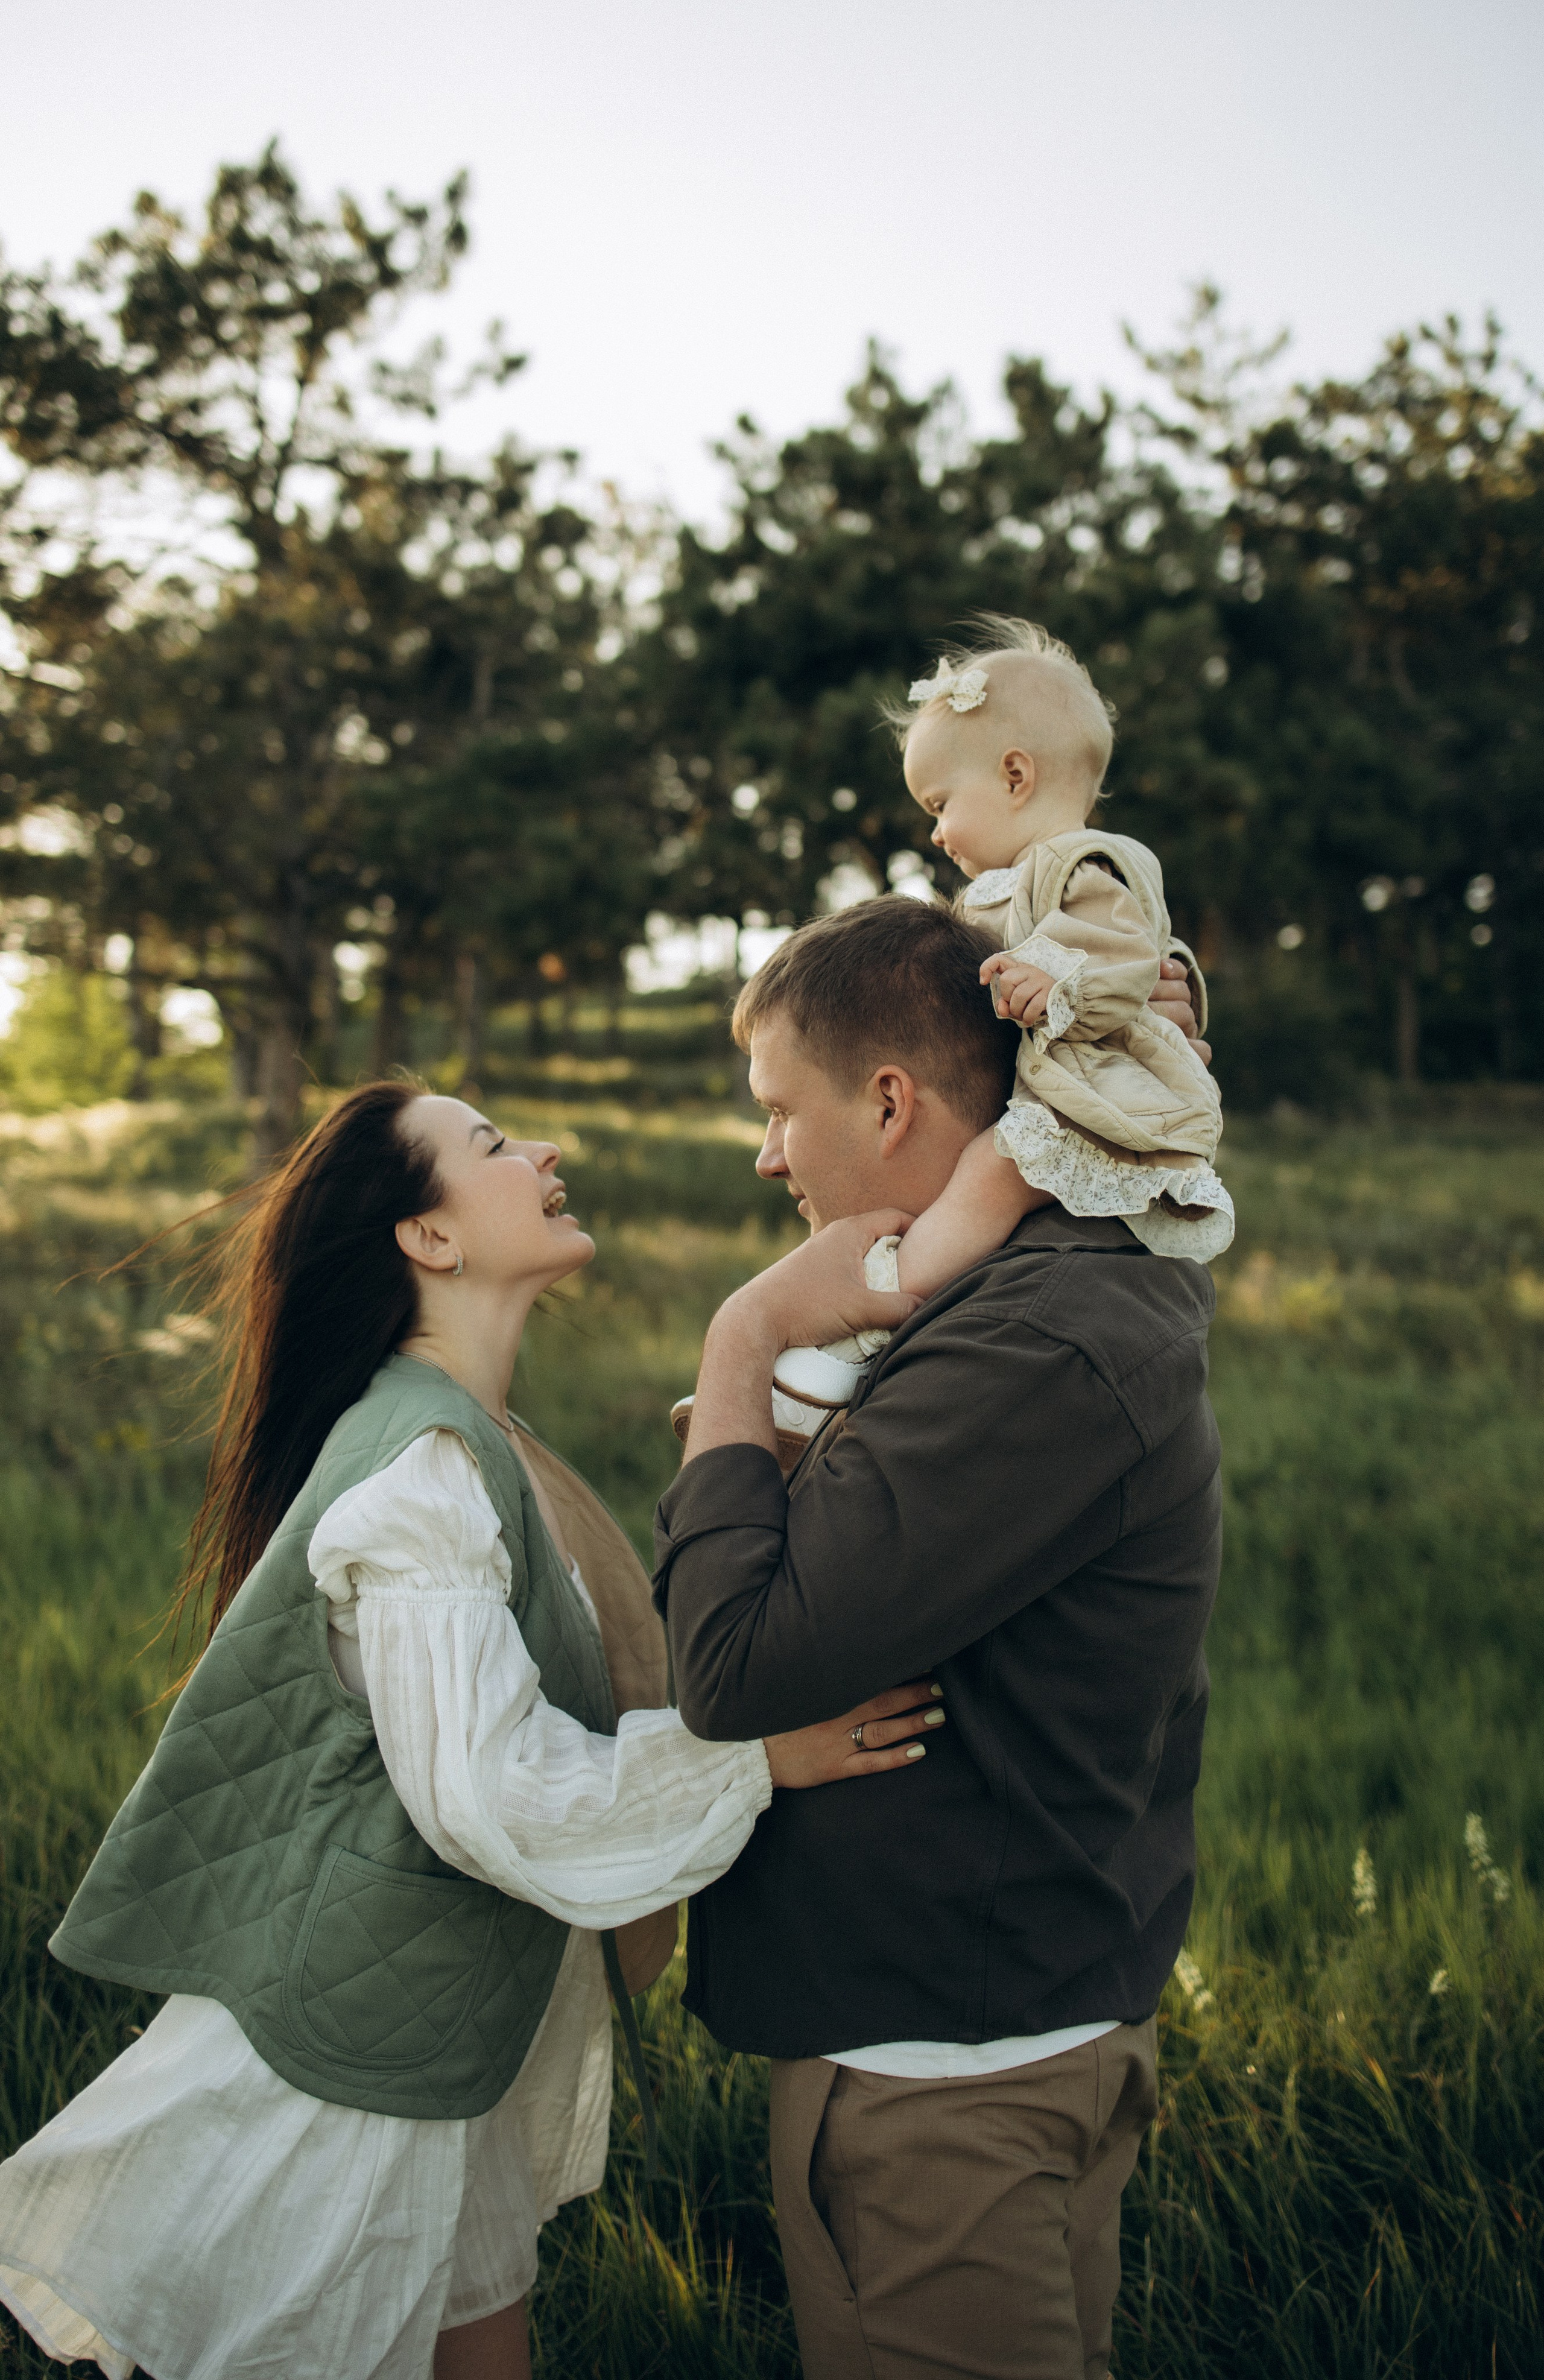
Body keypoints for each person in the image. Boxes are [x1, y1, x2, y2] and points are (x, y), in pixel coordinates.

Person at [0, 1082, 941, 2380]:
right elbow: (492, 1790)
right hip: (356, 2054)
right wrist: (754, 1758)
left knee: (478, 2329)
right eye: (492, 1145)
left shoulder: (478, 1439)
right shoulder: (420, 1473)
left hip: (444, 2024)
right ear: (429, 1238)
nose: (544, 1147)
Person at [654, 897, 1223, 2380]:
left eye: (780, 1109)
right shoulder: (1026, 1293)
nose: (766, 1153)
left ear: (890, 1100)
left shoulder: (1028, 1339)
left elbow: (730, 1667)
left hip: (942, 2077)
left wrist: (743, 1339)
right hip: (1008, 2013)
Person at [773, 618, 1232, 1428]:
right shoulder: (1000, 889)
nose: (935, 830)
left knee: (988, 1175)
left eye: (941, 804)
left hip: (1075, 1102)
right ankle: (851, 1333)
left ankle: (874, 1317)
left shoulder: (1082, 864)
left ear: (1015, 775)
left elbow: (1127, 949)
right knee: (959, 1183)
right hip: (1035, 1089)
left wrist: (1059, 979)